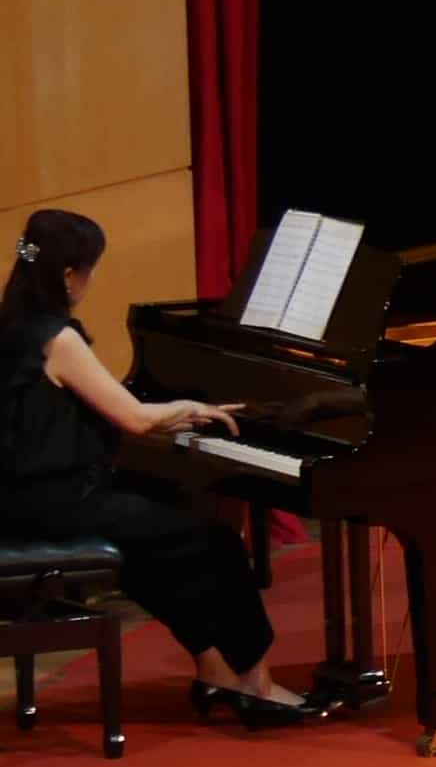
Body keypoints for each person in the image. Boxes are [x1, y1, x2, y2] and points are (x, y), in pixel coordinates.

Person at [0, 209, 316, 725]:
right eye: (91, 270)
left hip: (24, 497)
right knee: (217, 542)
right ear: (69, 276)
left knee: (159, 532)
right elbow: (134, 418)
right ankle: (256, 684)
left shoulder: (13, 325)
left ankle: (214, 669)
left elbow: (76, 415)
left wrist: (173, 417)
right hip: (56, 505)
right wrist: (189, 408)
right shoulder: (57, 338)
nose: (90, 282)